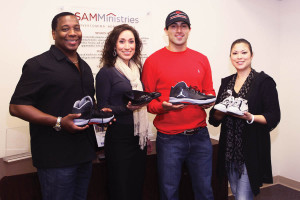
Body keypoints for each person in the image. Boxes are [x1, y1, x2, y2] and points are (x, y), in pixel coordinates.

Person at [9, 12, 97, 200]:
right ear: (54, 34)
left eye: (77, 28)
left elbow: (84, 104)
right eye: (65, 29)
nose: (73, 33)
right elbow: (16, 106)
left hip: (84, 154)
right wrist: (58, 121)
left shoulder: (85, 67)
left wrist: (99, 114)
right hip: (56, 159)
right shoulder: (38, 65)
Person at [142, 10, 215, 200]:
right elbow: (148, 103)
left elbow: (209, 91)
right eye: (174, 26)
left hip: (200, 135)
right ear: (166, 30)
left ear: (190, 29)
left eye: (183, 26)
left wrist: (209, 100)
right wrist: (162, 107)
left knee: (205, 191)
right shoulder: (152, 61)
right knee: (169, 193)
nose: (179, 30)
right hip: (169, 139)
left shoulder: (202, 59)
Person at [209, 38, 280, 199]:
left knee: (243, 196)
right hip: (229, 150)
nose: (239, 56)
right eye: (235, 53)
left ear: (251, 55)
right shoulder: (226, 83)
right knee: (235, 192)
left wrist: (250, 117)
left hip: (250, 150)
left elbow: (274, 116)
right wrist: (222, 110)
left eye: (244, 52)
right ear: (230, 57)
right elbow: (214, 119)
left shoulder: (263, 81)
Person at [95, 24, 150, 200]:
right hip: (119, 138)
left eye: (131, 41)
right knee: (120, 187)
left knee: (136, 184)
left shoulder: (137, 70)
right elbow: (102, 109)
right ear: (113, 45)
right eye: (122, 41)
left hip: (138, 138)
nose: (127, 46)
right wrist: (125, 108)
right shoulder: (106, 72)